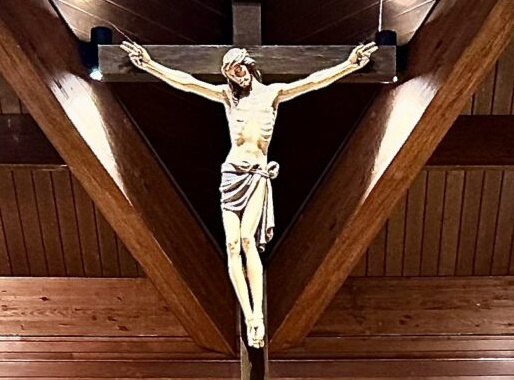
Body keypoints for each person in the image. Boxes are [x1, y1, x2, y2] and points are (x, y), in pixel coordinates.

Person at [122, 40, 377, 348]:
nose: (236, 76)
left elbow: (312, 82)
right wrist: (149, 65)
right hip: (232, 173)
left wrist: (350, 65)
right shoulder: (229, 98)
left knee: (247, 240)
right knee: (231, 244)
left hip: (257, 174)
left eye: (238, 69)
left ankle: (258, 313)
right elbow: (187, 83)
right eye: (229, 73)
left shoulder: (273, 94)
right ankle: (249, 316)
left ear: (249, 65)